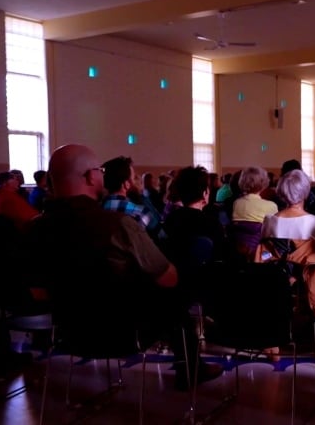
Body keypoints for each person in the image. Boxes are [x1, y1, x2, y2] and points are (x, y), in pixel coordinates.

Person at [23, 144, 223, 391]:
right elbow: (168, 278)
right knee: (175, 295)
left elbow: (38, 291)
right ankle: (191, 368)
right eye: (100, 169)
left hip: (68, 333)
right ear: (89, 176)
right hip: (123, 333)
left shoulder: (34, 229)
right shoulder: (117, 225)